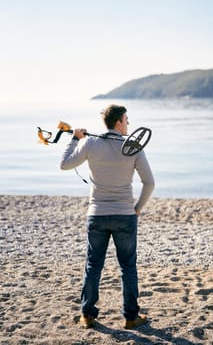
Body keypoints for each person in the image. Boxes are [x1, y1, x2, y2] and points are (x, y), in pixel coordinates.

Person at [60, 104, 155, 329]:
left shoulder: (90, 143)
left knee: (93, 265)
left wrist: (75, 138)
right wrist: (138, 208)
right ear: (118, 122)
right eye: (126, 119)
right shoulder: (134, 147)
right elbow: (149, 183)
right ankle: (131, 317)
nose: (129, 124)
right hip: (125, 216)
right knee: (128, 267)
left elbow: (65, 164)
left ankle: (87, 315)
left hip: (97, 215)